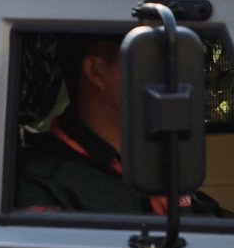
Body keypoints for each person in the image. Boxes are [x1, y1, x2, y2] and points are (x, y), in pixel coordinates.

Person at [16, 34, 227, 215]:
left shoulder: (150, 162)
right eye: (152, 59)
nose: (172, 78)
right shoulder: (46, 184)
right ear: (95, 71)